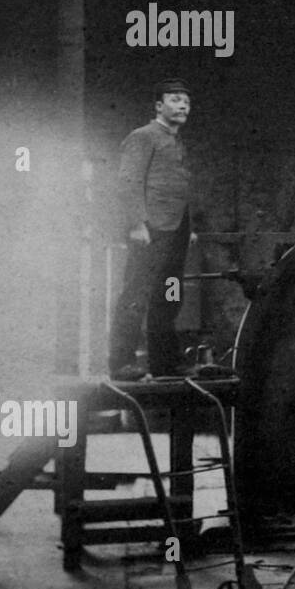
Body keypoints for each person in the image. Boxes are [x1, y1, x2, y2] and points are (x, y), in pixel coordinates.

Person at [109, 78, 195, 380]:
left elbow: (174, 187)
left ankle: (165, 363)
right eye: (174, 99)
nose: (183, 104)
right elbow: (128, 181)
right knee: (136, 293)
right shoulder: (143, 137)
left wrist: (187, 228)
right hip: (150, 230)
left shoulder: (176, 140)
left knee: (169, 295)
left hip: (175, 230)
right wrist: (136, 223)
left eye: (186, 100)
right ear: (159, 106)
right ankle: (121, 364)